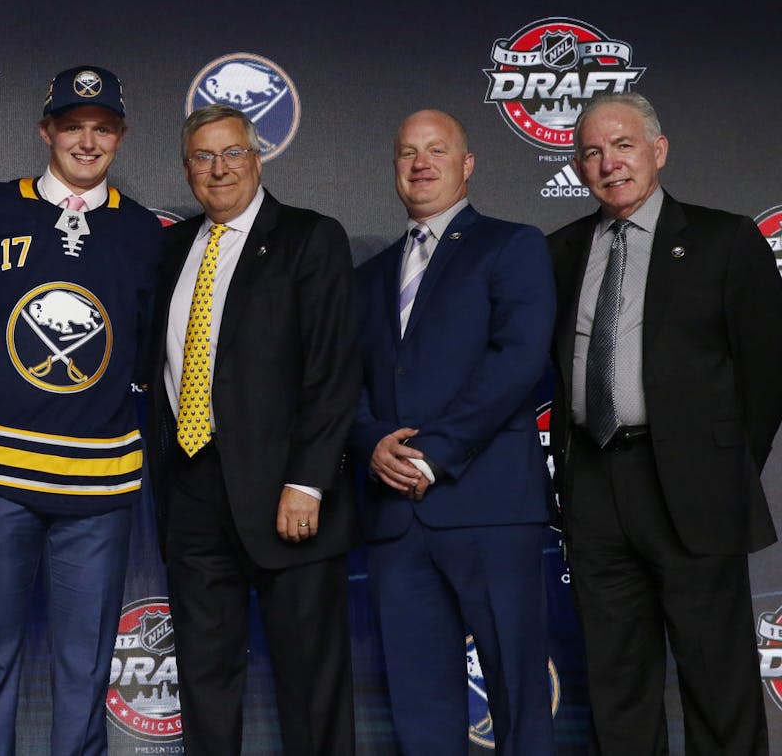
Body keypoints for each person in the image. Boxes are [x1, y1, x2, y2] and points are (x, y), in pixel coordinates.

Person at [548, 92, 782, 754]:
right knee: (617, 681)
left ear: (658, 149)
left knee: (718, 679)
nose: (608, 162)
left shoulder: (724, 239)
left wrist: (721, 462)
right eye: (591, 151)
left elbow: (766, 372)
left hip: (693, 488)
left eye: (622, 145)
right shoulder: (561, 251)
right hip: (594, 488)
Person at [0, 65, 162, 756]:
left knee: (82, 669)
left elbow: (148, 355)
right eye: (73, 125)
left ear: (120, 137)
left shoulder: (147, 236)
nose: (87, 140)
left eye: (102, 128)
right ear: (46, 131)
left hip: (97, 488)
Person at [147, 104, 360, 755]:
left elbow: (333, 368)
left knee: (310, 686)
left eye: (232, 153)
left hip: (286, 496)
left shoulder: (310, 237)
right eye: (204, 157)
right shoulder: (172, 246)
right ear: (187, 170)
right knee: (206, 683)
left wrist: (308, 480)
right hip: (191, 493)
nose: (219, 169)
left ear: (257, 158)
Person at [351, 109, 555, 755]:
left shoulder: (512, 244)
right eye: (407, 151)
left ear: (467, 165)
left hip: (488, 507)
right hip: (395, 520)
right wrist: (371, 441)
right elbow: (340, 382)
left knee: (519, 699)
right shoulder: (367, 277)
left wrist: (432, 454)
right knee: (420, 705)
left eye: (437, 149)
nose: (421, 163)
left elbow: (518, 361)